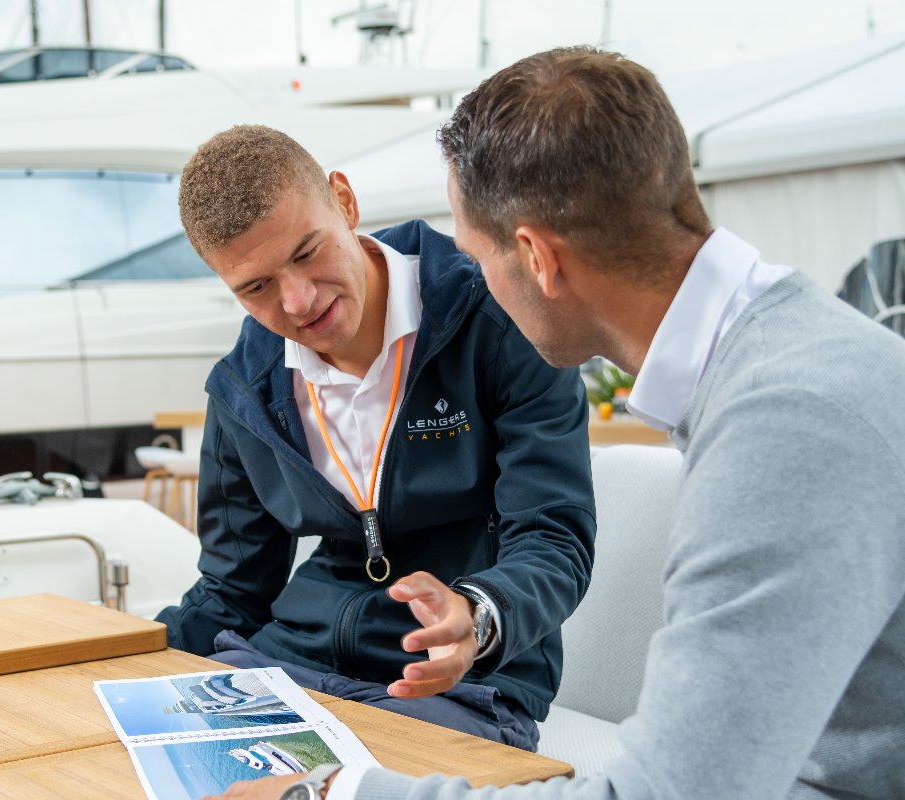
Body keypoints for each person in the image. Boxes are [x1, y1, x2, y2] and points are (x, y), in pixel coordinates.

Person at [209, 47, 905, 800]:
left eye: (474, 256)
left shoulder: (790, 430)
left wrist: (329, 795)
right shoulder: (788, 361)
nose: (464, 280)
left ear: (537, 260)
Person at [155, 124, 597, 751]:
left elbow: (554, 537)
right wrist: (128, 659)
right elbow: (233, 590)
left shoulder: (503, 318)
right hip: (288, 667)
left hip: (455, 684)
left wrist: (476, 614)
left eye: (308, 252)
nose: (300, 301)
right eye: (256, 288)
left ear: (345, 200)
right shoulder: (242, 388)